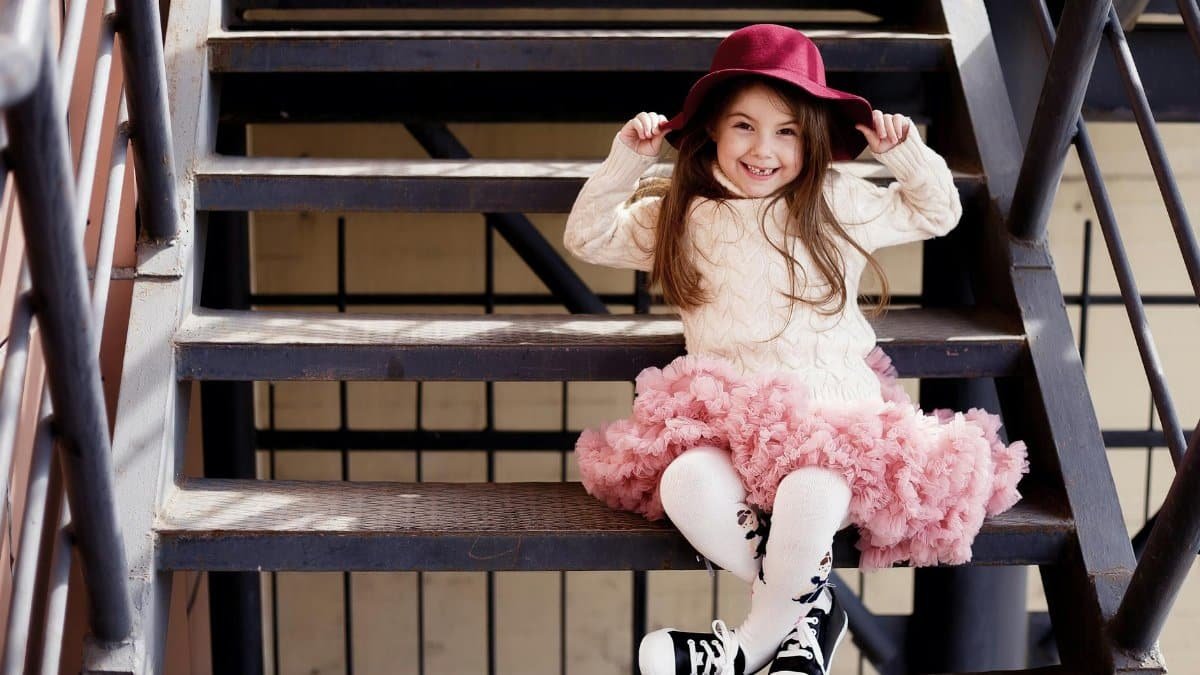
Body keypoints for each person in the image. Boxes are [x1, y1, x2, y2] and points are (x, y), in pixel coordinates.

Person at [563, 24, 1028, 675]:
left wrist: (905, 154)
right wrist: (628, 159)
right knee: (682, 482)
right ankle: (812, 611)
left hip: (834, 414)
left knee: (814, 485)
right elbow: (586, 236)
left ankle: (749, 645)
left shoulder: (833, 199)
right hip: (730, 420)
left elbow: (936, 213)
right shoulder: (683, 210)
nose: (764, 149)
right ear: (713, 132)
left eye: (786, 131)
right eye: (744, 127)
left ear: (812, 140)